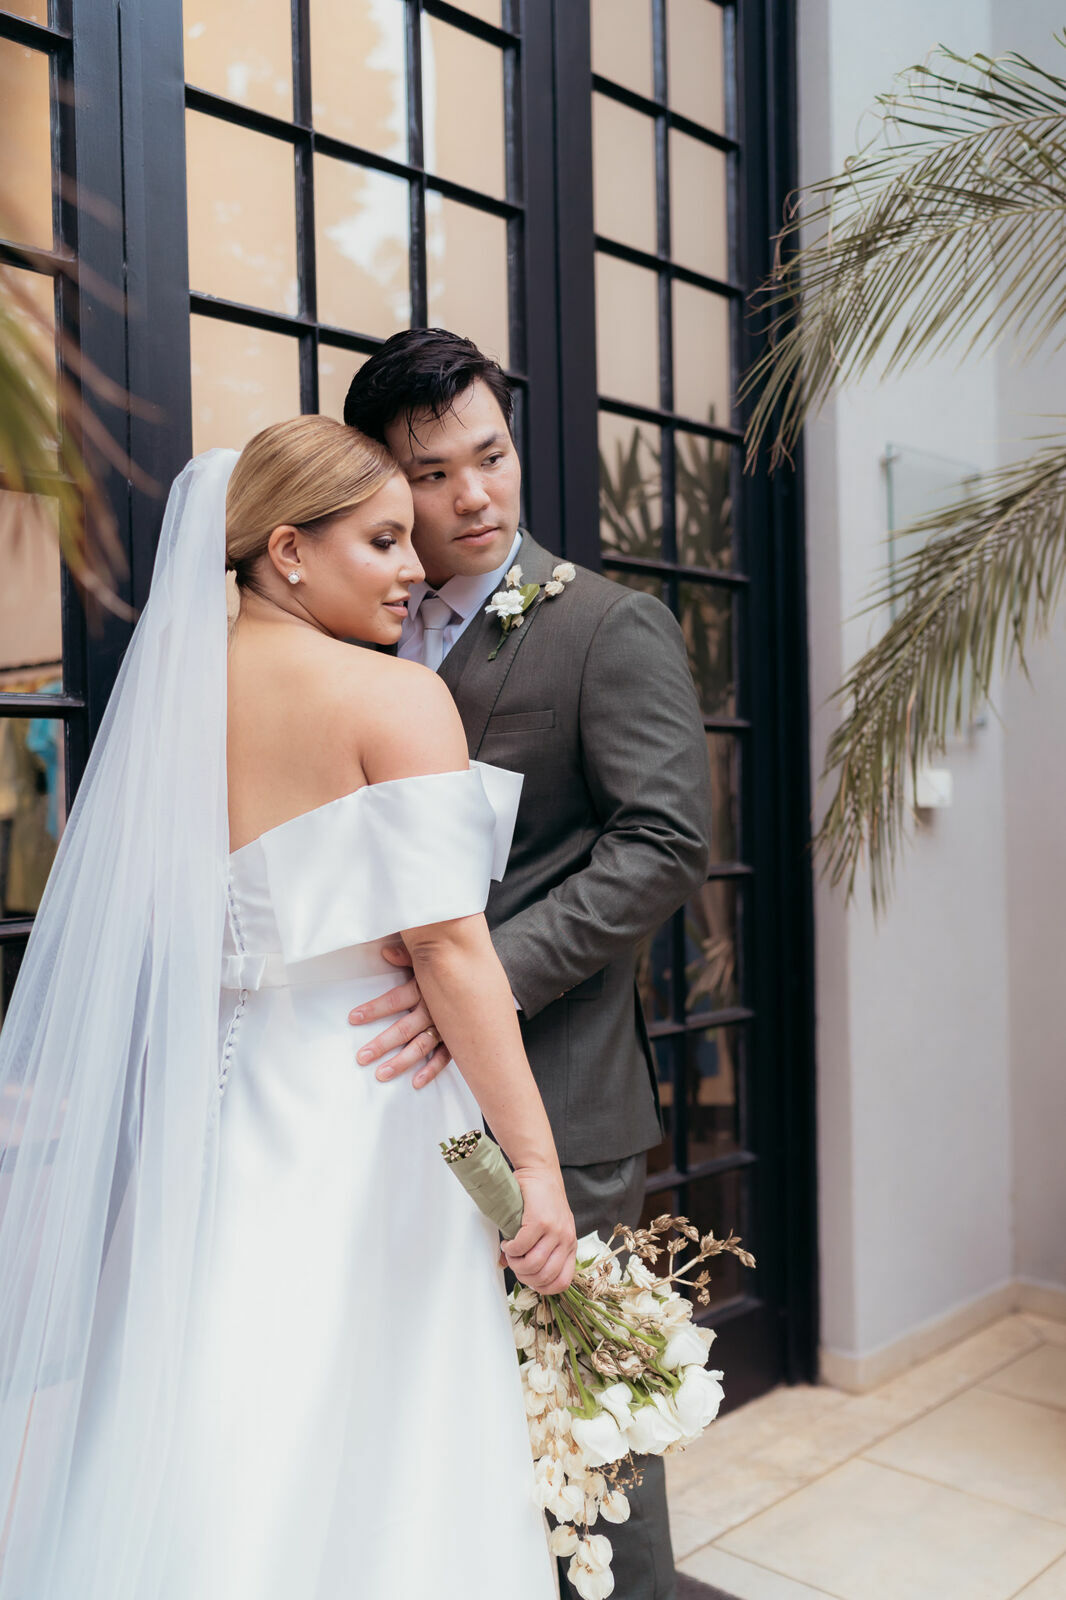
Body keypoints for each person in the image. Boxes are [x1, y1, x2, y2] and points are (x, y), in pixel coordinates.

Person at [0, 416, 573, 1600]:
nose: (415, 567)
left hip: (218, 1101)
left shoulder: (173, 707)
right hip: (368, 1111)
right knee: (379, 1430)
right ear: (288, 550)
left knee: (214, 1388)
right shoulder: (397, 697)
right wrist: (538, 1170)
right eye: (382, 540)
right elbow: (452, 952)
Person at [344, 329, 712, 1600]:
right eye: (434, 474)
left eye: (490, 457)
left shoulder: (606, 625)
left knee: (594, 1446)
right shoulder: (354, 635)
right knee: (451, 1442)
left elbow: (664, 840)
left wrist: (480, 978)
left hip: (560, 1089)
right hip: (392, 1115)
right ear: (386, 484)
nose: (476, 498)